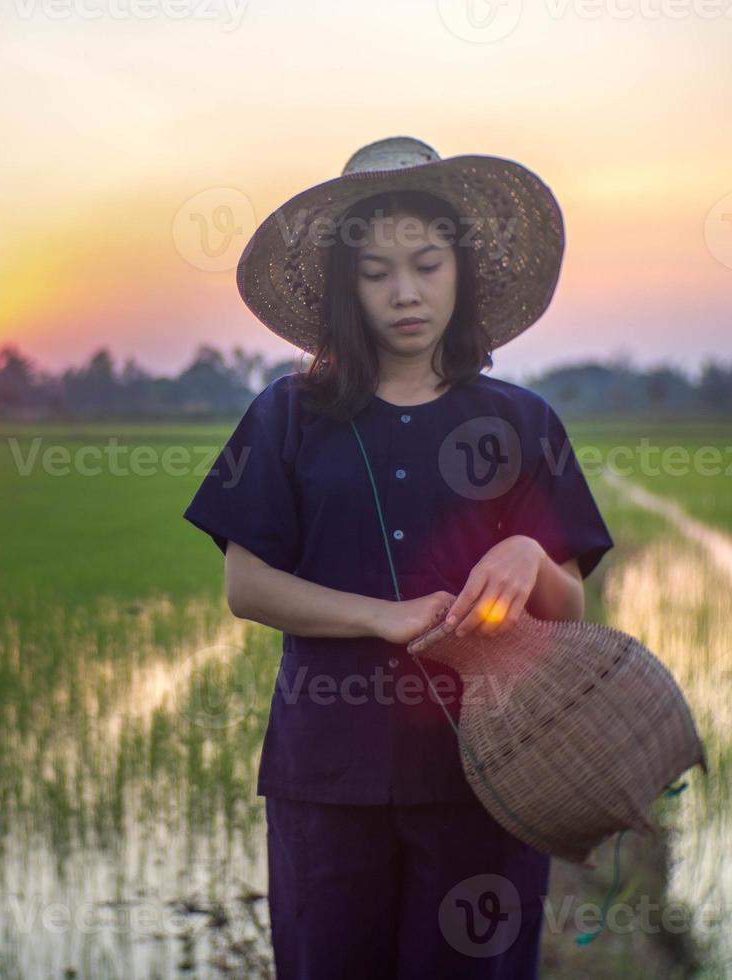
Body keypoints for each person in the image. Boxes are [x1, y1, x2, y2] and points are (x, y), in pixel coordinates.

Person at [182, 137, 615, 978]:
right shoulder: (286, 416)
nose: (406, 292)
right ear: (346, 289)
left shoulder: (522, 422)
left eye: (426, 264)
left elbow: (571, 607)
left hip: (490, 774)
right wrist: (381, 618)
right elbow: (245, 584)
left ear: (463, 273)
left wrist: (529, 555)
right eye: (375, 272)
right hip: (328, 779)